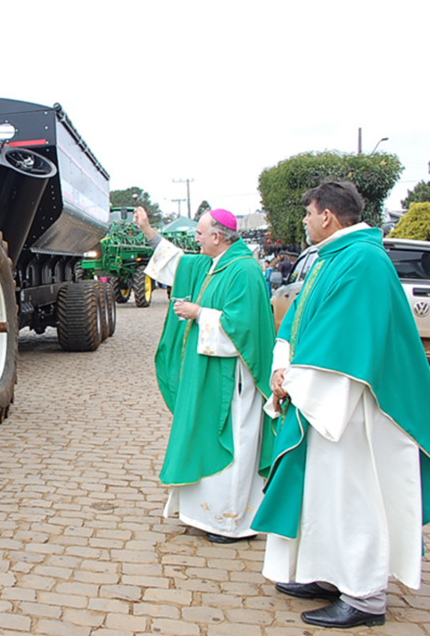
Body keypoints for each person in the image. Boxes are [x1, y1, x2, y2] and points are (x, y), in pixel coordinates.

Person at [251, 179, 430, 629]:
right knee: (324, 494)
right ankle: (332, 575)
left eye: (309, 214)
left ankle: (365, 596)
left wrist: (292, 380)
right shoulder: (337, 257)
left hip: (356, 408)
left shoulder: (364, 261)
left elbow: (347, 343)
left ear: (327, 215)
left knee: (353, 496)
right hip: (326, 400)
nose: (306, 221)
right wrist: (282, 360)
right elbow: (299, 318)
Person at [133, 207, 275, 543]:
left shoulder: (243, 271)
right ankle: (209, 514)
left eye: (199, 233)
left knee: (235, 442)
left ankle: (232, 523)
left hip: (233, 378)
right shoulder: (213, 264)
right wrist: (148, 231)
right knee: (207, 435)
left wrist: (199, 313)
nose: (194, 238)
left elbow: (243, 326)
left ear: (217, 236)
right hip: (211, 372)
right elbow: (176, 261)